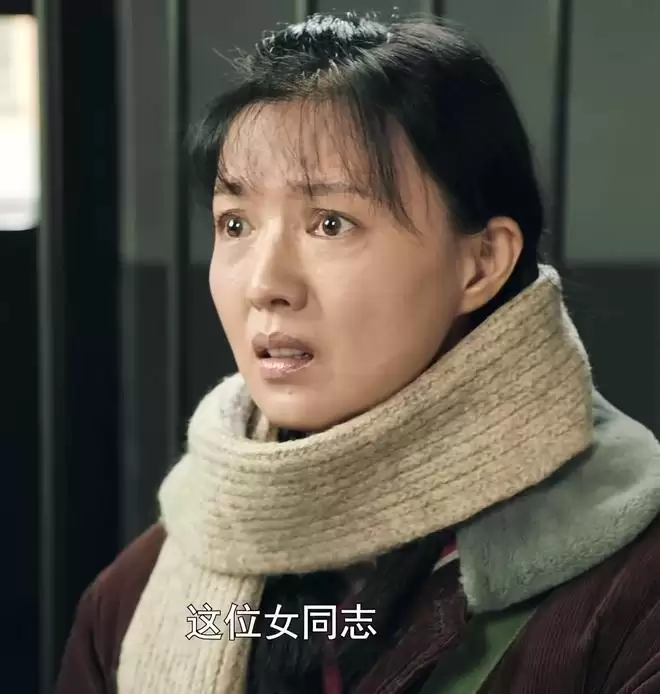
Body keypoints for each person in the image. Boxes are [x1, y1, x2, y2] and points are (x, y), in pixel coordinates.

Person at [56, 12, 660, 694]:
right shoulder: (139, 594)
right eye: (236, 223)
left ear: (482, 262)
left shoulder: (632, 590)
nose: (264, 284)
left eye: (330, 223)